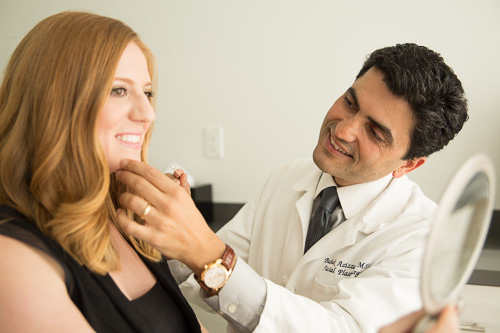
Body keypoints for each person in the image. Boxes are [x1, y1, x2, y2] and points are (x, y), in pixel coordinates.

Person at [115, 42, 468, 332]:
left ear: (409, 164)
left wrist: (207, 253)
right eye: (350, 102)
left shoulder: (424, 241)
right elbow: (206, 279)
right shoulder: (285, 179)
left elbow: (342, 328)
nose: (343, 130)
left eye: (375, 132)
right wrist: (171, 233)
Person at [0, 11, 203, 332]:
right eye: (119, 90)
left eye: (147, 92)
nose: (148, 113)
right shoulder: (11, 258)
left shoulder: (124, 216)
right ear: (54, 101)